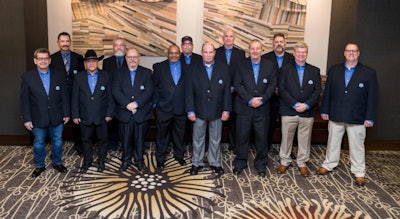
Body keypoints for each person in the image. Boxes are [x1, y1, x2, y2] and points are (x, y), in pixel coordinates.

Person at [317, 43, 378, 186]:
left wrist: (370, 117)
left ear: (358, 53)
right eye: (349, 51)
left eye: (354, 51)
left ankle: (359, 172)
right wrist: (324, 110)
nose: (351, 53)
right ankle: (329, 164)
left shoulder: (369, 72)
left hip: (357, 117)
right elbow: (328, 93)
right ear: (344, 53)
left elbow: (372, 97)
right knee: (333, 142)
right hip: (336, 114)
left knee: (357, 146)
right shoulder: (334, 70)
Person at [21, 48, 70, 178]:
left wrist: (66, 113)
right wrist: (27, 118)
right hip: (37, 117)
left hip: (57, 115)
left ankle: (57, 162)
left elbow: (64, 96)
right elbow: (24, 100)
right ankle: (39, 165)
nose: (43, 61)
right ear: (35, 61)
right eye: (40, 59)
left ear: (49, 60)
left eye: (45, 58)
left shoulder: (59, 75)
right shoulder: (27, 77)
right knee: (38, 142)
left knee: (58, 141)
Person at [185, 42, 231, 175]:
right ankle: (196, 162)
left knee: (215, 139)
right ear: (201, 52)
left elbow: (227, 91)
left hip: (217, 110)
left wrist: (226, 109)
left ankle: (214, 162)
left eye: (211, 52)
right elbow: (189, 92)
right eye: (206, 52)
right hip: (198, 110)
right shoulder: (193, 68)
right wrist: (190, 110)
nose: (208, 55)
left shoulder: (223, 68)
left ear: (214, 53)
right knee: (198, 138)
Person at [233, 39, 277, 177]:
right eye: (253, 48)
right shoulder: (240, 65)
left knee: (262, 138)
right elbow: (238, 84)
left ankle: (261, 164)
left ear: (262, 50)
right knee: (242, 137)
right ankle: (240, 162)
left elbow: (272, 85)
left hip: (262, 110)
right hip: (244, 108)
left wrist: (262, 99)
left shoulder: (270, 65)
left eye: (258, 48)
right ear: (249, 50)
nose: (255, 51)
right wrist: (250, 99)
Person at [276, 42, 321, 177]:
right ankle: (285, 160)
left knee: (304, 139)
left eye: (304, 52)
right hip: (289, 110)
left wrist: (306, 105)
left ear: (306, 54)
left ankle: (302, 163)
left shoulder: (314, 71)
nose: (301, 54)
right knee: (286, 138)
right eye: (299, 52)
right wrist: (295, 104)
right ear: (294, 53)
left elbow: (317, 92)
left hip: (307, 112)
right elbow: (282, 90)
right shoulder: (285, 69)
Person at [71, 50, 114, 173]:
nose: (91, 63)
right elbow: (75, 97)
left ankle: (101, 160)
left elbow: (110, 96)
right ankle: (87, 161)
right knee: (86, 140)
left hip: (102, 116)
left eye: (93, 61)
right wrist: (75, 114)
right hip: (85, 116)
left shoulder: (106, 76)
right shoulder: (79, 77)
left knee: (103, 140)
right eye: (88, 61)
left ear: (97, 62)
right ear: (85, 63)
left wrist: (109, 113)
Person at [112, 48, 153, 172]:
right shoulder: (118, 73)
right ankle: (126, 160)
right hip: (124, 113)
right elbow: (116, 91)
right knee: (125, 139)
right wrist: (127, 105)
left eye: (135, 57)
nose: (132, 60)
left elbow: (148, 91)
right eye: (130, 57)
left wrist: (135, 104)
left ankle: (139, 161)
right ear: (126, 59)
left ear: (139, 58)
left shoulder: (147, 73)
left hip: (141, 113)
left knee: (140, 139)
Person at [153, 45, 187, 170]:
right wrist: (155, 104)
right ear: (168, 54)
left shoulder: (187, 67)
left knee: (180, 135)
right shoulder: (159, 67)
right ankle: (160, 159)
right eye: (171, 53)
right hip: (163, 108)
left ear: (180, 54)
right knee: (162, 135)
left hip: (181, 108)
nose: (174, 55)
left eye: (176, 53)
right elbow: (154, 86)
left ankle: (179, 156)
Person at [50, 32, 85, 156]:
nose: (65, 44)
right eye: (62, 41)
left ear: (70, 42)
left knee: (76, 121)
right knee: (58, 122)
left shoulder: (78, 57)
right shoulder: (52, 58)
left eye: (67, 41)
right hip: (58, 96)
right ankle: (56, 147)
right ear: (58, 42)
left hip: (75, 94)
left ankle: (79, 145)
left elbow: (82, 77)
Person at [261, 33, 294, 150]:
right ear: (273, 44)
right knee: (268, 125)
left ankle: (288, 150)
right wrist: (273, 89)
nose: (279, 44)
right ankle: (266, 147)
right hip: (270, 98)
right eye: (276, 42)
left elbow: (294, 79)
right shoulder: (265, 58)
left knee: (287, 126)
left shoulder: (292, 58)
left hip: (287, 99)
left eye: (281, 42)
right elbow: (263, 77)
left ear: (285, 43)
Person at [215, 28, 245, 152]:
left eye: (230, 36)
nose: (228, 38)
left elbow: (241, 73)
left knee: (234, 121)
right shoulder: (216, 52)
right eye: (226, 36)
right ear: (223, 38)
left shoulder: (240, 53)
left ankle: (233, 145)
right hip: (218, 93)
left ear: (234, 38)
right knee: (217, 120)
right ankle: (217, 145)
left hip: (235, 93)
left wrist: (234, 86)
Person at [103, 36, 128, 151]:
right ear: (113, 48)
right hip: (111, 98)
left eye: (121, 45)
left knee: (124, 123)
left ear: (125, 47)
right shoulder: (106, 62)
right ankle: (112, 143)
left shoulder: (130, 60)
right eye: (116, 45)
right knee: (111, 122)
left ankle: (125, 143)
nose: (119, 47)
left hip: (126, 97)